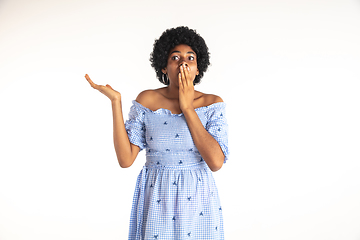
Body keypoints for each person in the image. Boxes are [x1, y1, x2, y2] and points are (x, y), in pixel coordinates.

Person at [85, 26, 229, 240]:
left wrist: (187, 107)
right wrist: (116, 102)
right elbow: (125, 160)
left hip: (198, 201)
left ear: (198, 68)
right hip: (156, 197)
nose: (183, 62)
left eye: (190, 57)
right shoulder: (147, 100)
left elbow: (216, 162)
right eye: (175, 57)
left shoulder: (212, 104)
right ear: (164, 66)